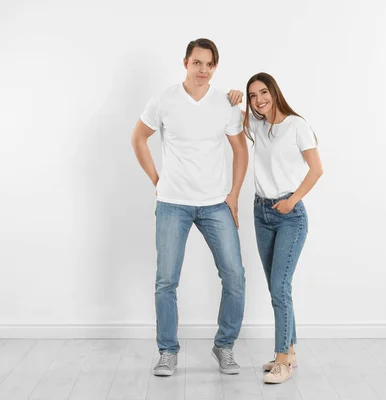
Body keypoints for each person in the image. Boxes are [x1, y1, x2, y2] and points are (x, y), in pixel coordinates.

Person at [131, 38, 248, 377]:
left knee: (235, 277)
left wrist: (233, 195)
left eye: (209, 64)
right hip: (173, 204)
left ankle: (224, 346)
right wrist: (157, 180)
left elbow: (240, 151)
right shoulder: (164, 100)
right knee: (166, 280)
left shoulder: (226, 103)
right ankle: (167, 351)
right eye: (197, 63)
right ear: (186, 62)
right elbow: (138, 137)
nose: (203, 70)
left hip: (215, 204)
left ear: (215, 67)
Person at [243, 72, 323, 384]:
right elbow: (228, 117)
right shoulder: (257, 126)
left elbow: (317, 170)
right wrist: (233, 98)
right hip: (261, 212)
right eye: (253, 96)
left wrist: (293, 201)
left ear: (274, 92)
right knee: (278, 287)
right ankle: (289, 350)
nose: (259, 100)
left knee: (279, 287)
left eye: (263, 92)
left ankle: (281, 361)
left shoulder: (296, 125)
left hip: (290, 215)